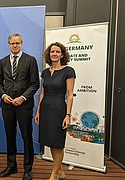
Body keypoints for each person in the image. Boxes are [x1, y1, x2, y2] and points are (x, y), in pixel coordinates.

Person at [0, 33, 39, 179]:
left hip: (24, 106)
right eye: (12, 43)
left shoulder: (30, 60)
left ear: (22, 44)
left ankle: (28, 169)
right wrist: (3, 95)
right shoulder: (2, 62)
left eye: (18, 43)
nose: (15, 45)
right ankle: (11, 165)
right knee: (10, 136)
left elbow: (35, 84)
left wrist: (22, 98)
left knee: (26, 136)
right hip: (7, 105)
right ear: (8, 44)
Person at [35, 42, 76, 180]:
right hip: (46, 109)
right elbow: (42, 93)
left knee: (58, 143)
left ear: (62, 54)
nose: (54, 54)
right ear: (49, 54)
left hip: (59, 109)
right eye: (52, 51)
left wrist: (68, 115)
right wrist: (38, 111)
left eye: (57, 52)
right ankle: (60, 171)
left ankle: (54, 175)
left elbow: (69, 94)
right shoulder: (46, 72)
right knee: (51, 141)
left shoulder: (68, 71)